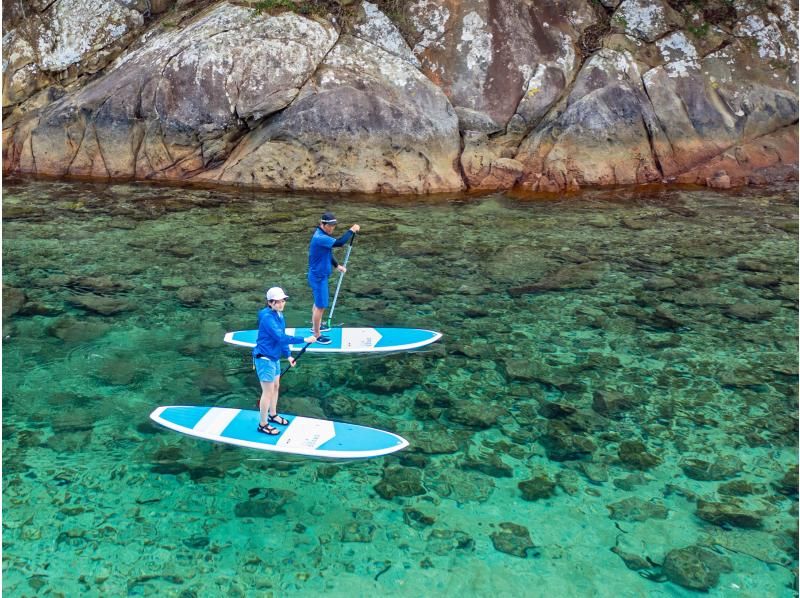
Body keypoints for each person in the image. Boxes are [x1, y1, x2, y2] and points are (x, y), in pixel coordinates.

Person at [253, 287, 316, 435]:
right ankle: (263, 424)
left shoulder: (279, 315)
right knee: (267, 392)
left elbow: (282, 336)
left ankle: (273, 414)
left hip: (274, 357)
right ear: (270, 302)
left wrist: (288, 355)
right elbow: (281, 338)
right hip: (264, 359)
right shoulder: (268, 318)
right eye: (277, 302)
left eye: (283, 301)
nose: (281, 304)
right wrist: (304, 339)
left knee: (276, 386)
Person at [307, 211, 360, 344]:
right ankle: (317, 335)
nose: (332, 228)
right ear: (322, 224)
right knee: (321, 306)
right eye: (329, 225)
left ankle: (315, 327)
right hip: (318, 277)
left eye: (334, 226)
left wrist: (337, 266)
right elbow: (340, 242)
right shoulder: (320, 237)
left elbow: (327, 253)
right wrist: (351, 230)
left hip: (319, 276)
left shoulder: (323, 236)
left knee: (318, 303)